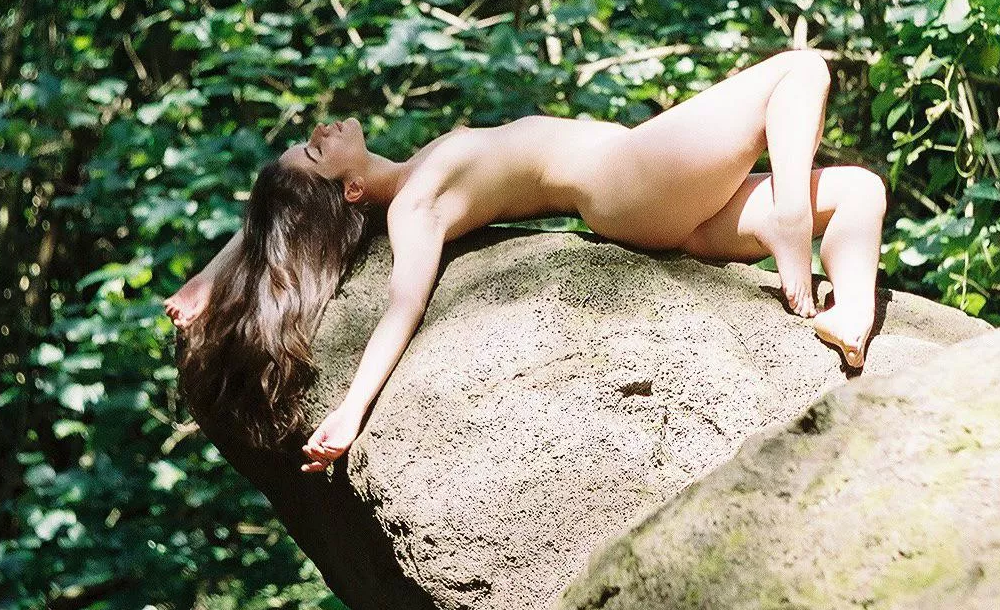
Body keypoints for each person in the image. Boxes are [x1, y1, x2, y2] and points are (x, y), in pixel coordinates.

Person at [166, 50, 887, 472]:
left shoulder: (411, 171)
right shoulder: (415, 205)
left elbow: (270, 224)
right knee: (800, 69)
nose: (322, 128)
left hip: (650, 202)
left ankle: (848, 317)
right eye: (316, 148)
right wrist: (352, 410)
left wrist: (210, 276)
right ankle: (790, 219)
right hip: (627, 179)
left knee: (859, 192)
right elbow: (402, 308)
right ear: (349, 189)